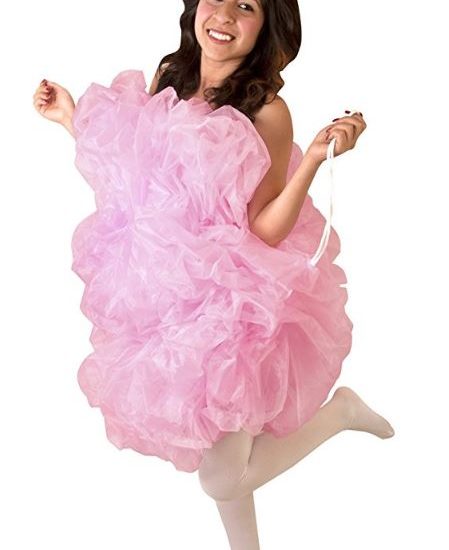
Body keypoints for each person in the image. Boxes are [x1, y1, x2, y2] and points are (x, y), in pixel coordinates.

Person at [33, 1, 395, 548]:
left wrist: (313, 159)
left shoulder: (267, 111)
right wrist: (70, 116)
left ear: (266, 26)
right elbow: (138, 169)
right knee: (225, 453)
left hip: (234, 300)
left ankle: (340, 412)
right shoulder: (170, 76)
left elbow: (265, 227)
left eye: (245, 6)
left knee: (222, 476)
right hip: (165, 289)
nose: (223, 14)